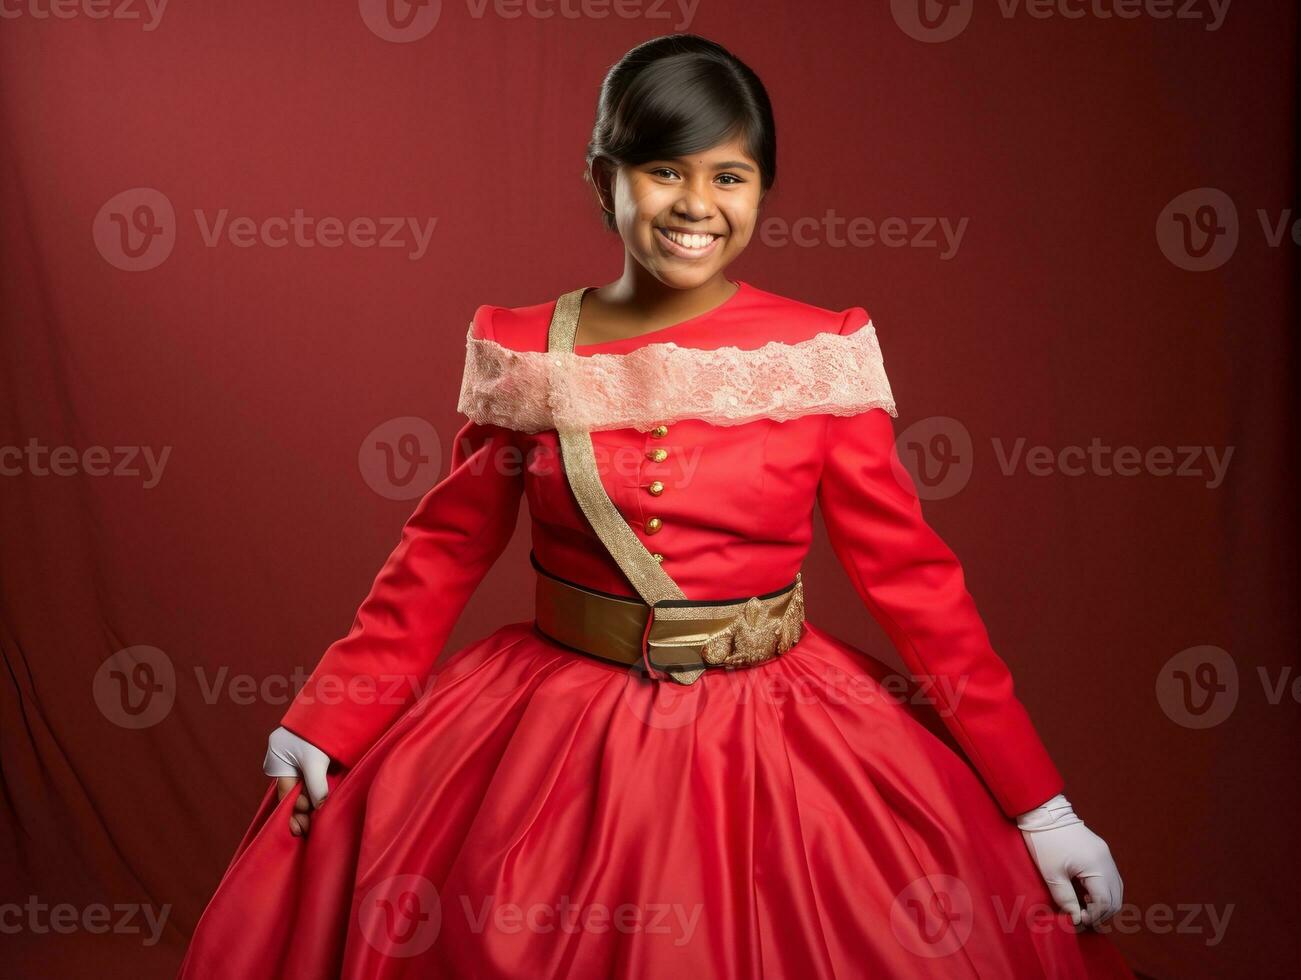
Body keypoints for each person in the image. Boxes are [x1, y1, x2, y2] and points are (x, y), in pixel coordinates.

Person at [177, 33, 1134, 979]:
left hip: (785, 738)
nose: (697, 206)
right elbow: (439, 554)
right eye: (664, 171)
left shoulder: (821, 349)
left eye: (731, 177)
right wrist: (324, 720)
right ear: (606, 179)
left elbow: (918, 589)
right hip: (554, 734)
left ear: (761, 191)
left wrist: (1037, 805)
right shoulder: (521, 343)